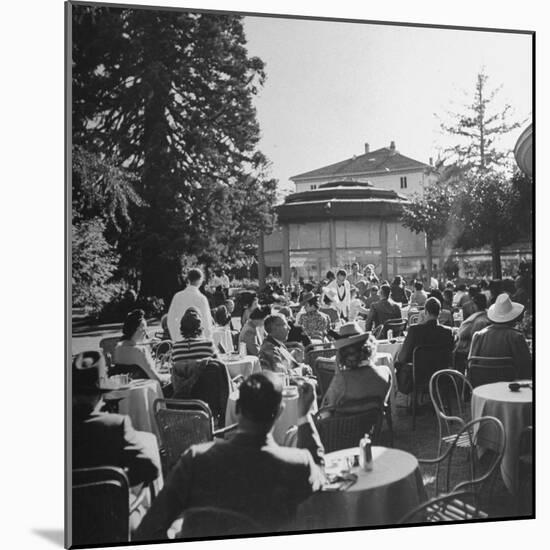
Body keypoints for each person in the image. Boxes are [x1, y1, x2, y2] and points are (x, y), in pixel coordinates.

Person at [134, 372, 325, 539]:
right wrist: (304, 416)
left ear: (236, 409)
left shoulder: (195, 460)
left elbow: (149, 528)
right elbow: (321, 476)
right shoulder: (297, 464)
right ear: (280, 412)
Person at [72, 352, 160, 487]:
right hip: (111, 504)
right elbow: (150, 469)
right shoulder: (115, 426)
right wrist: (117, 483)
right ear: (100, 395)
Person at [321, 327, 391, 415]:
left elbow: (326, 411)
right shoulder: (386, 372)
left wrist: (337, 371)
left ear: (341, 355)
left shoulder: (341, 380)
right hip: (370, 425)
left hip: (340, 427)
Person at [469, 293, 532, 379]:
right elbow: (526, 368)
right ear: (513, 318)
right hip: (509, 387)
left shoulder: (478, 335)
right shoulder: (516, 337)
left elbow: (471, 365)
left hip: (480, 387)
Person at [397, 297, 455, 365]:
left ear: (425, 312)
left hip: (417, 373)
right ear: (439, 313)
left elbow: (402, 358)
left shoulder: (414, 330)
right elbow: (450, 357)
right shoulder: (448, 332)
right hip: (440, 373)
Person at [112, 309, 163, 383]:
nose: (146, 333)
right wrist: (170, 377)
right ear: (135, 330)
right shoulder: (140, 351)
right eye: (144, 330)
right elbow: (157, 379)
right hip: (143, 391)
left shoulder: (118, 348)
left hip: (124, 390)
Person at [167, 269, 213, 342]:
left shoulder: (178, 296)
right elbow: (207, 321)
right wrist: (208, 339)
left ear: (188, 279)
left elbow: (170, 319)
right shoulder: (201, 298)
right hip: (198, 339)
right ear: (200, 280)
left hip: (180, 338)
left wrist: (175, 337)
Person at [454, 293, 490, 373]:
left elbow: (474, 343)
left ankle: (459, 381)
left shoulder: (478, 321)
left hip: (472, 355)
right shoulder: (488, 316)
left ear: (474, 305)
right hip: (483, 353)